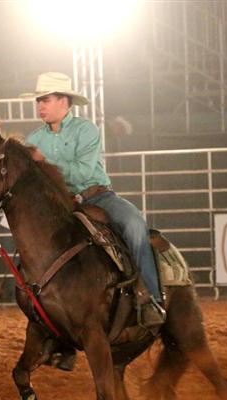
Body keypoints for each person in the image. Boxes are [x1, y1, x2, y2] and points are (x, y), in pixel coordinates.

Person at [23, 72, 166, 365]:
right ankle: (51, 325)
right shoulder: (34, 139)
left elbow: (83, 172)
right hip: (58, 205)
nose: (40, 106)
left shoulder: (86, 130)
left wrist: (44, 162)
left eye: (45, 100)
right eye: (38, 100)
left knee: (134, 224)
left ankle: (150, 298)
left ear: (63, 101)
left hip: (96, 196)